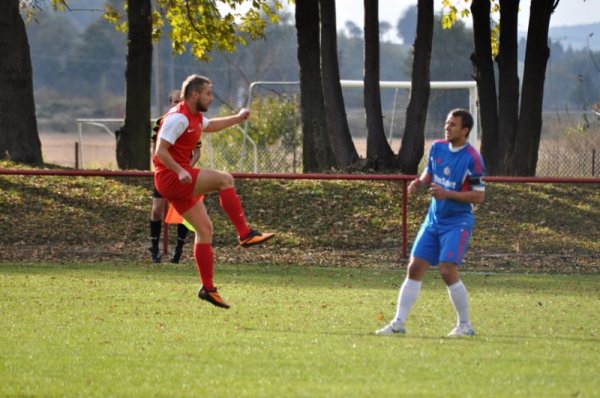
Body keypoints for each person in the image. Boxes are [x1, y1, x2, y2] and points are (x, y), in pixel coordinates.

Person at [153, 74, 274, 309]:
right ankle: (245, 234)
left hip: (175, 178)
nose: (211, 97)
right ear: (194, 95)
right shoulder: (178, 118)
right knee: (225, 180)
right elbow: (160, 152)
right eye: (208, 93)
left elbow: (212, 125)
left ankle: (207, 288)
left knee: (205, 229)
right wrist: (179, 170)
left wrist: (238, 119)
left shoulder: (195, 117)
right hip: (171, 177)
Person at [376, 108, 485, 337]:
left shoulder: (472, 158)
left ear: (465, 130)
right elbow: (429, 173)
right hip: (433, 220)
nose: (447, 127)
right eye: (447, 122)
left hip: (458, 222)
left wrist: (448, 194)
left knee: (447, 270)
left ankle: (465, 325)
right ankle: (399, 323)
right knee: (414, 267)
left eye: (453, 124)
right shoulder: (437, 148)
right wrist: (419, 183)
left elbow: (478, 196)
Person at [149, 90, 200, 264]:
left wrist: (186, 168)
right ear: (171, 103)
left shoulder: (190, 121)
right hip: (165, 173)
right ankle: (154, 248)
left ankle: (178, 250)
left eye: (181, 100)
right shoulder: (163, 121)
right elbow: (156, 147)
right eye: (175, 101)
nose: (179, 103)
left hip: (182, 174)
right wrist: (158, 164)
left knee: (182, 213)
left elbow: (197, 150)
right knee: (157, 209)